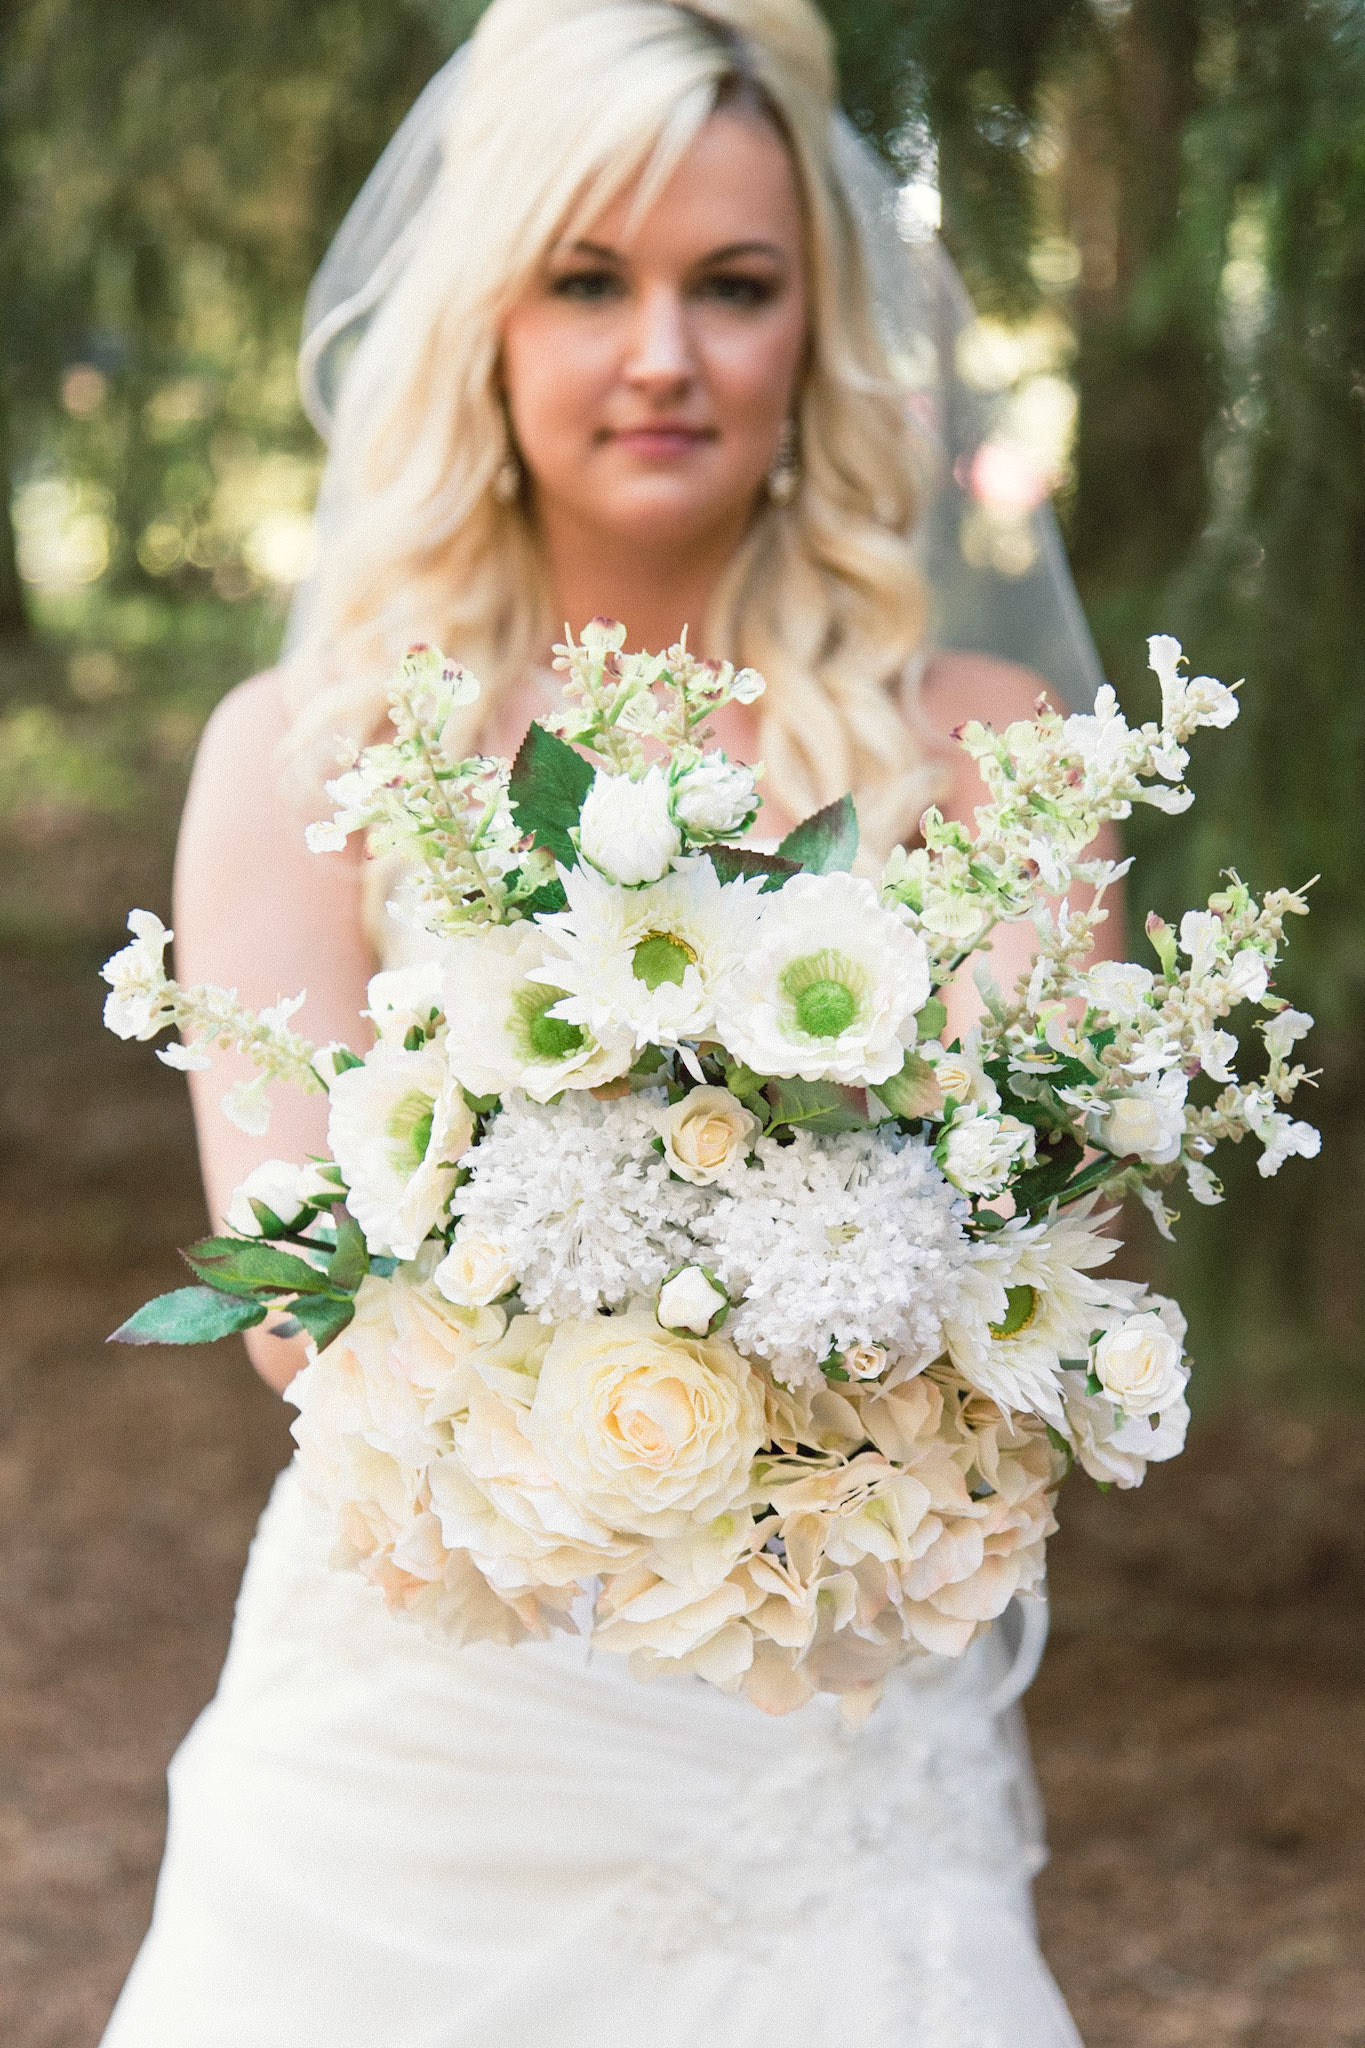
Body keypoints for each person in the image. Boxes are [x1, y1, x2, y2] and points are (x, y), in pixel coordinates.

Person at [102, 3, 1115, 2041]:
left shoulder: (996, 759)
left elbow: (1048, 1276)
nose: (662, 353)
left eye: (730, 286)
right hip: (417, 1747)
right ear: (482, 318)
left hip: (827, 1717)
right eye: (587, 282)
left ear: (815, 330)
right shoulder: (312, 755)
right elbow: (304, 1310)